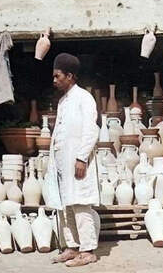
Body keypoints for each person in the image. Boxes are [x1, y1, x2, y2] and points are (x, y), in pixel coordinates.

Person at [42, 53, 100, 268]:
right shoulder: (64, 101)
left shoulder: (84, 98)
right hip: (62, 164)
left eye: (58, 76)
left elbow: (91, 130)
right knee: (65, 204)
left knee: (81, 204)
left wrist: (81, 158)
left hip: (77, 161)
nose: (54, 80)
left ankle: (88, 250)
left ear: (70, 75)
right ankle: (72, 247)